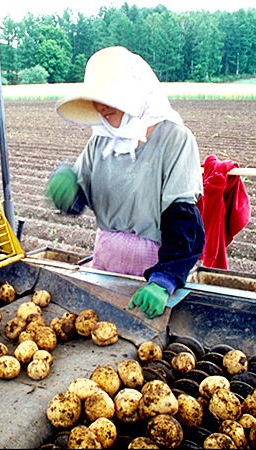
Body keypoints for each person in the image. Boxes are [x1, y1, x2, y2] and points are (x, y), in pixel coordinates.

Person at [45, 46, 205, 319]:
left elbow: (184, 219)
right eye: (97, 97)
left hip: (155, 264)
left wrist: (165, 279)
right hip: (106, 258)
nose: (100, 106)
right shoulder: (101, 140)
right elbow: (82, 196)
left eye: (110, 97)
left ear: (137, 95)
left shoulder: (175, 140)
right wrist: (69, 190)